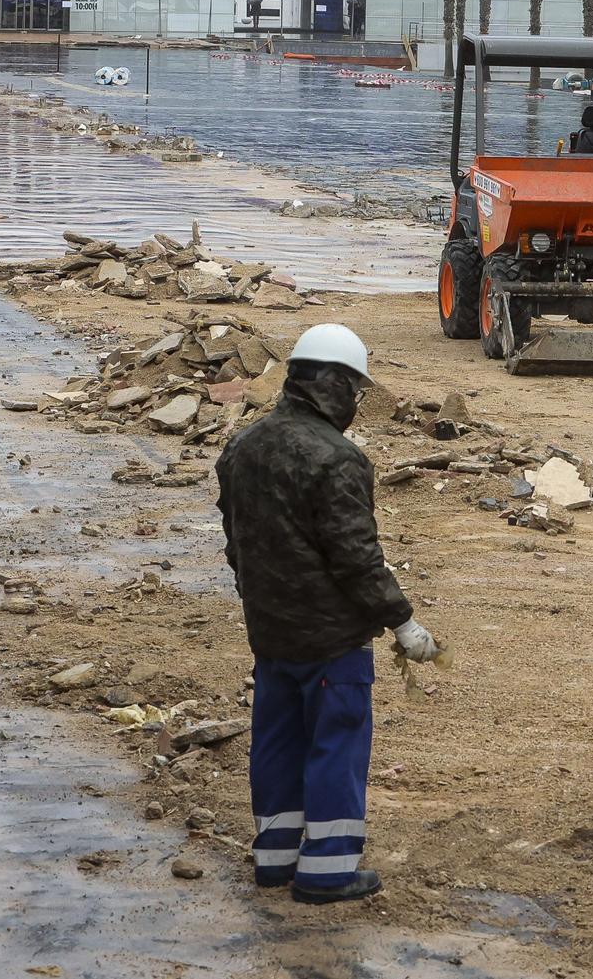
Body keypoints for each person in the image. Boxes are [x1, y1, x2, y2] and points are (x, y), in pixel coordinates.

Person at [214, 323, 441, 903]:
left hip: (270, 633)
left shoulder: (243, 446)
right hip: (330, 642)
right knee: (335, 747)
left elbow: (235, 542)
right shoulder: (338, 459)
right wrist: (403, 622)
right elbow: (356, 559)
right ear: (336, 385)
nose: (357, 405)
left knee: (276, 745)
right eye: (356, 392)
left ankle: (276, 861)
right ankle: (328, 872)